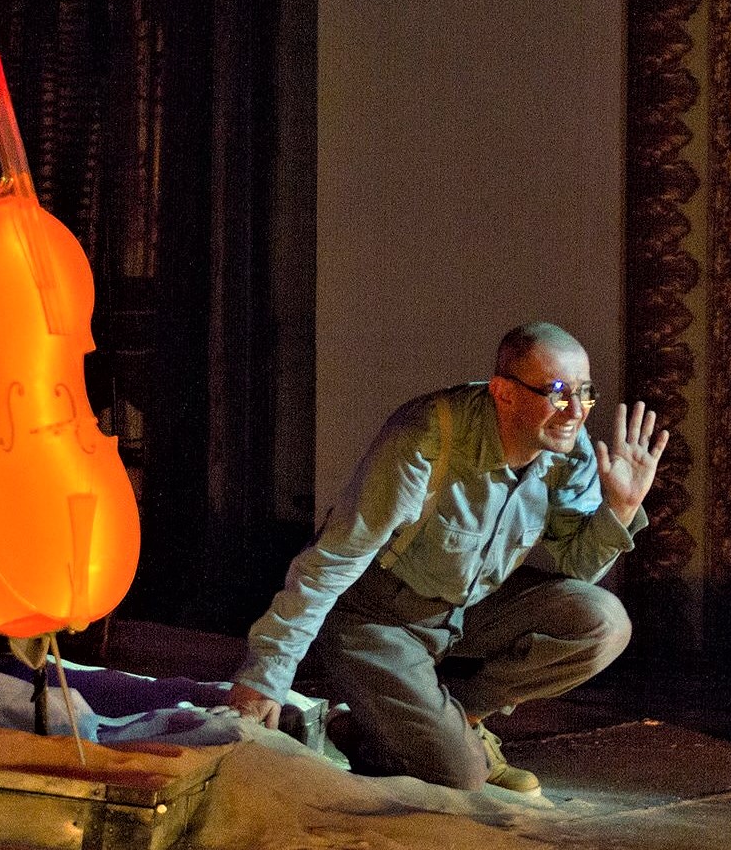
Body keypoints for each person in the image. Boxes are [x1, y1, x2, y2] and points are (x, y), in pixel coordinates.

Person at [226, 321, 668, 794]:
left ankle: (459, 719)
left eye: (584, 392)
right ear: (504, 393)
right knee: (461, 776)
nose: (576, 412)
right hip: (377, 617)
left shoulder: (566, 449)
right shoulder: (426, 437)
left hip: (467, 609)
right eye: (558, 393)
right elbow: (333, 558)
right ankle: (365, 731)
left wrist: (620, 509)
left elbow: (578, 568)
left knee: (603, 621)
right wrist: (266, 676)